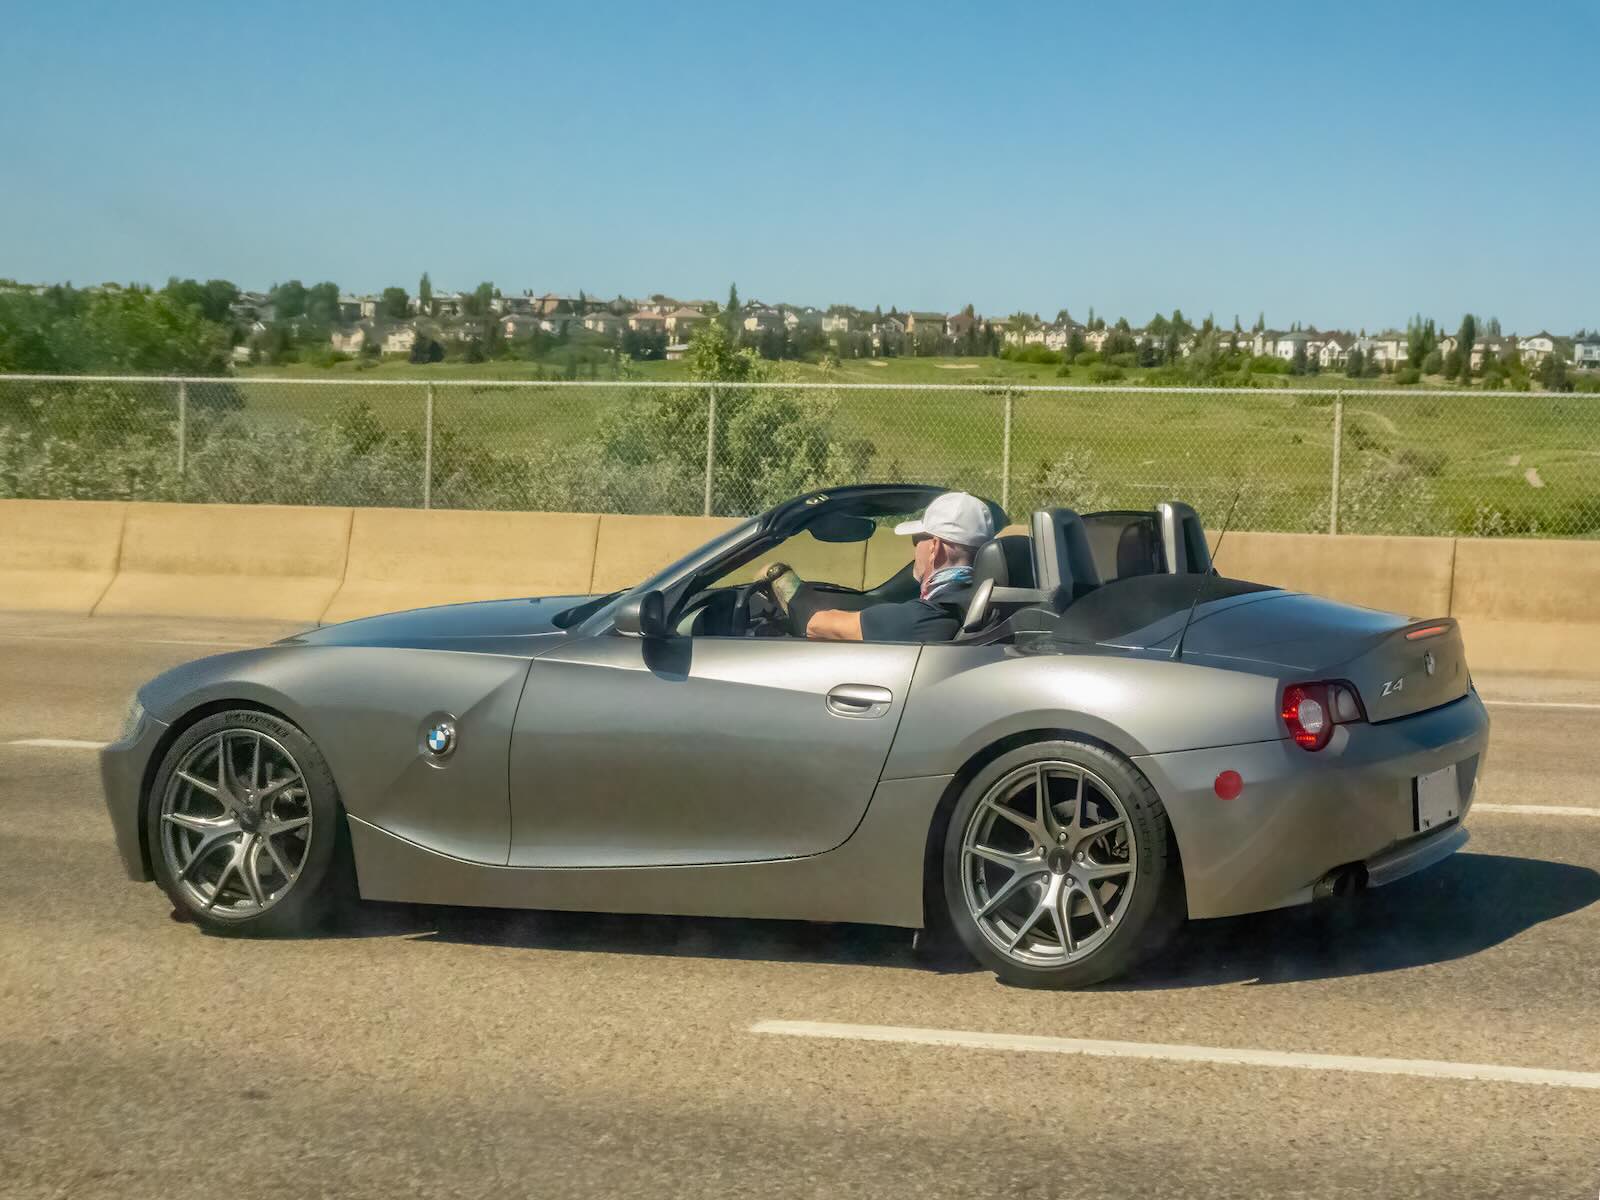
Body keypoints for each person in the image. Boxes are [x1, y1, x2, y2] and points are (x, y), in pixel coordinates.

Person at [761, 491, 994, 643]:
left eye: (916, 541)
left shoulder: (924, 619)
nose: (914, 550)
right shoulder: (991, 607)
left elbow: (815, 624)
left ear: (935, 547)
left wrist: (778, 576)